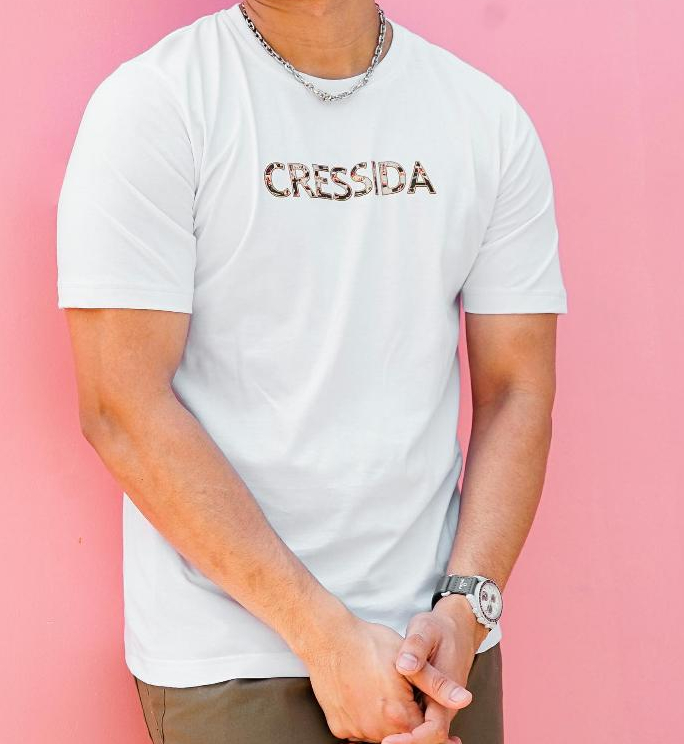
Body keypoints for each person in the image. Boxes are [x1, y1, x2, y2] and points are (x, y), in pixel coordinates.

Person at [56, 1, 567, 742]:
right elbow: (120, 406)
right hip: (236, 658)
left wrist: (465, 610)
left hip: (441, 655)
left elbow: (517, 391)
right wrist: (323, 637)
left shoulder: (485, 119)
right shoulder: (155, 105)